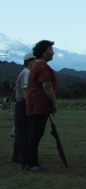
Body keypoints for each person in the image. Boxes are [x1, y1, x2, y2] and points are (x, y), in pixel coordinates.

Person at [22, 40, 57, 172]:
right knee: (35, 134)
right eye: (50, 49)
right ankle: (32, 164)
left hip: (33, 105)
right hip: (39, 105)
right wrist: (54, 103)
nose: (53, 52)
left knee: (31, 133)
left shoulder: (36, 66)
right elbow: (47, 86)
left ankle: (26, 162)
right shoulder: (42, 67)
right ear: (43, 52)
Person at [13, 52, 36, 165]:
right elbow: (25, 91)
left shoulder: (23, 72)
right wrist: (30, 106)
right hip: (23, 104)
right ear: (28, 61)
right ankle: (22, 156)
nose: (35, 63)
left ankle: (17, 155)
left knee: (20, 131)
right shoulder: (27, 72)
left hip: (19, 104)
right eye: (33, 61)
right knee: (24, 132)